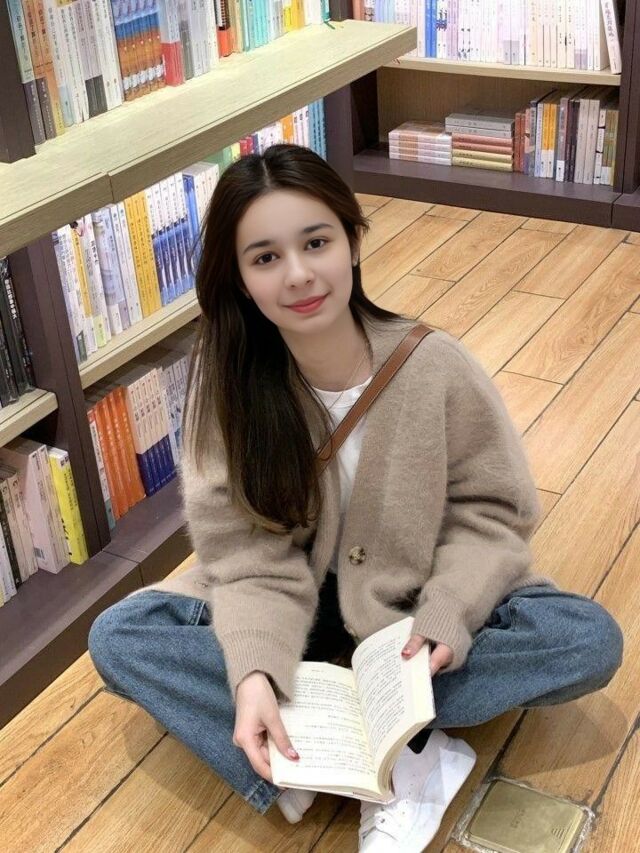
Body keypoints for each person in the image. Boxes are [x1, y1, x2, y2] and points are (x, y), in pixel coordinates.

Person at [88, 144, 624, 852]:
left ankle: (355, 738)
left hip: (415, 608)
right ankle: (365, 752)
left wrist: (449, 611)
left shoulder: (433, 365)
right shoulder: (229, 387)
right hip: (295, 607)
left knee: (585, 638)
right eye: (265, 257)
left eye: (316, 243)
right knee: (121, 636)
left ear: (352, 241)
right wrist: (253, 669)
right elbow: (244, 553)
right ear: (238, 279)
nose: (299, 274)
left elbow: (491, 513)